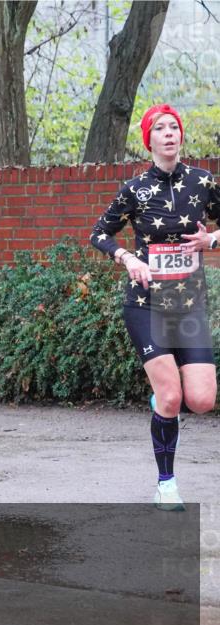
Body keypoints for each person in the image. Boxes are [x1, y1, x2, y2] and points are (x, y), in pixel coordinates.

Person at [90, 103, 219, 511]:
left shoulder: (203, 182)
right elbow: (99, 233)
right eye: (159, 128)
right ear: (149, 140)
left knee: (200, 400)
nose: (169, 133)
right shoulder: (135, 189)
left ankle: (164, 401)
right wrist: (128, 259)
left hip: (188, 305)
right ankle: (166, 484)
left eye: (174, 127)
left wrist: (210, 241)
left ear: (181, 137)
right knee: (170, 398)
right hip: (146, 304)